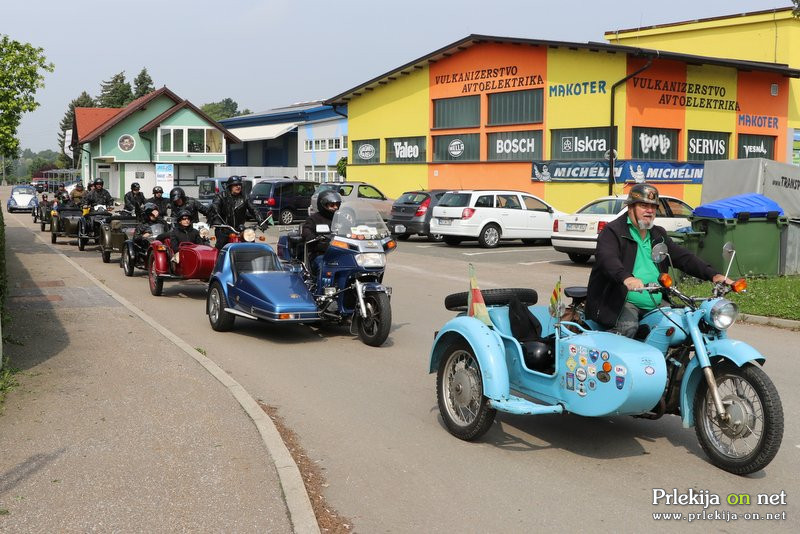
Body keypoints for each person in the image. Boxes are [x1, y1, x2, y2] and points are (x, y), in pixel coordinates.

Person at [586, 183, 733, 338]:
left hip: (655, 300)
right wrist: (626, 277)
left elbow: (684, 258)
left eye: (653, 207)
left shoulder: (657, 234)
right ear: (630, 208)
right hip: (620, 301)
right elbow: (607, 259)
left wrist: (713, 275)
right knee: (628, 329)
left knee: (684, 326)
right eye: (644, 206)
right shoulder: (613, 231)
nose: (649, 211)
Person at [210, 176, 264, 249]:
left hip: (239, 228)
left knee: (250, 241)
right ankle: (219, 258)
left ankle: (250, 258)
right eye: (235, 185)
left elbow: (254, 209)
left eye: (239, 185)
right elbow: (215, 207)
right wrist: (216, 220)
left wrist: (261, 220)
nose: (238, 186)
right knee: (222, 245)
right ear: (230, 186)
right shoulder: (221, 196)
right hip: (224, 228)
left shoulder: (245, 197)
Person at [301, 190, 341, 274]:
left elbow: (352, 228)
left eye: (337, 205)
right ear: (323, 205)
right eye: (332, 205)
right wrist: (313, 237)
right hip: (321, 254)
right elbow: (306, 231)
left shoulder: (342, 219)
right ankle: (324, 287)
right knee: (324, 266)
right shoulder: (314, 219)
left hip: (342, 253)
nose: (335, 207)